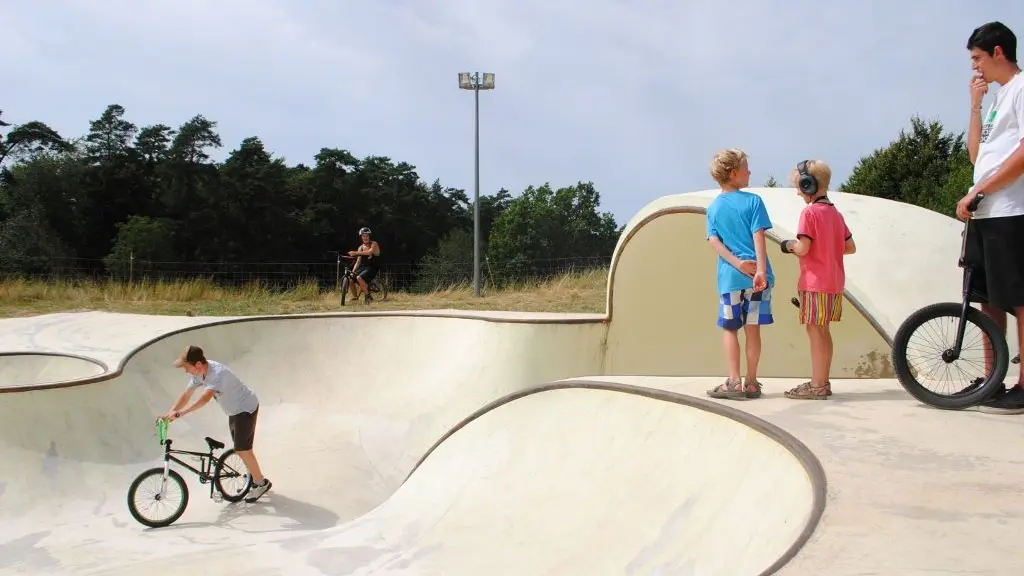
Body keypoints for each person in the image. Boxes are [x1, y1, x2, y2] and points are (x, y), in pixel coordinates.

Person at [954, 22, 1024, 412]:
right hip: (984, 213)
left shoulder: (1021, 89)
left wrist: (981, 190)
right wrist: (976, 105)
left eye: (978, 58)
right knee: (986, 298)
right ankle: (992, 378)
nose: (975, 67)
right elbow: (975, 156)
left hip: (1011, 211)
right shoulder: (998, 98)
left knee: (1018, 297)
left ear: (999, 52)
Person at [778, 160, 856, 400]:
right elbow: (850, 247)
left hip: (814, 283)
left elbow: (802, 248)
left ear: (808, 184)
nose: (798, 192)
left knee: (815, 333)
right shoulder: (835, 214)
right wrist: (828, 247)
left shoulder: (809, 213)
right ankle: (822, 381)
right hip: (833, 282)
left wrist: (788, 245)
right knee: (824, 332)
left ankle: (817, 385)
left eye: (800, 187)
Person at [704, 148, 775, 400]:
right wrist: (760, 270)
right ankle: (752, 382)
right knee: (753, 329)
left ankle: (733, 381)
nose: (750, 172)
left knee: (730, 329)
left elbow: (715, 242)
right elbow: (759, 236)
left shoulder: (713, 208)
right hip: (758, 279)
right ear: (734, 173)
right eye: (746, 168)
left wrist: (737, 264)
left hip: (730, 279)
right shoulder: (754, 201)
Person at [164, 345, 272, 503]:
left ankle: (260, 483)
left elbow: (204, 400)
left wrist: (181, 413)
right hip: (233, 411)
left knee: (243, 449)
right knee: (241, 448)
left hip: (245, 408)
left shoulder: (217, 375)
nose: (186, 372)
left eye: (187, 368)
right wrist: (170, 412)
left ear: (198, 365)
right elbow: (186, 395)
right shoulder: (199, 373)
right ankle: (252, 475)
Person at [347, 226, 381, 303]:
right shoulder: (360, 248)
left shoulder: (374, 244)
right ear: (361, 237)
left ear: (369, 236)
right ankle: (355, 297)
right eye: (363, 236)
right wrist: (353, 271)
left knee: (359, 277)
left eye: (367, 235)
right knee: (351, 279)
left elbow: (369, 252)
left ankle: (367, 296)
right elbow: (358, 262)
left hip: (373, 267)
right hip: (364, 268)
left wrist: (355, 253)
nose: (365, 237)